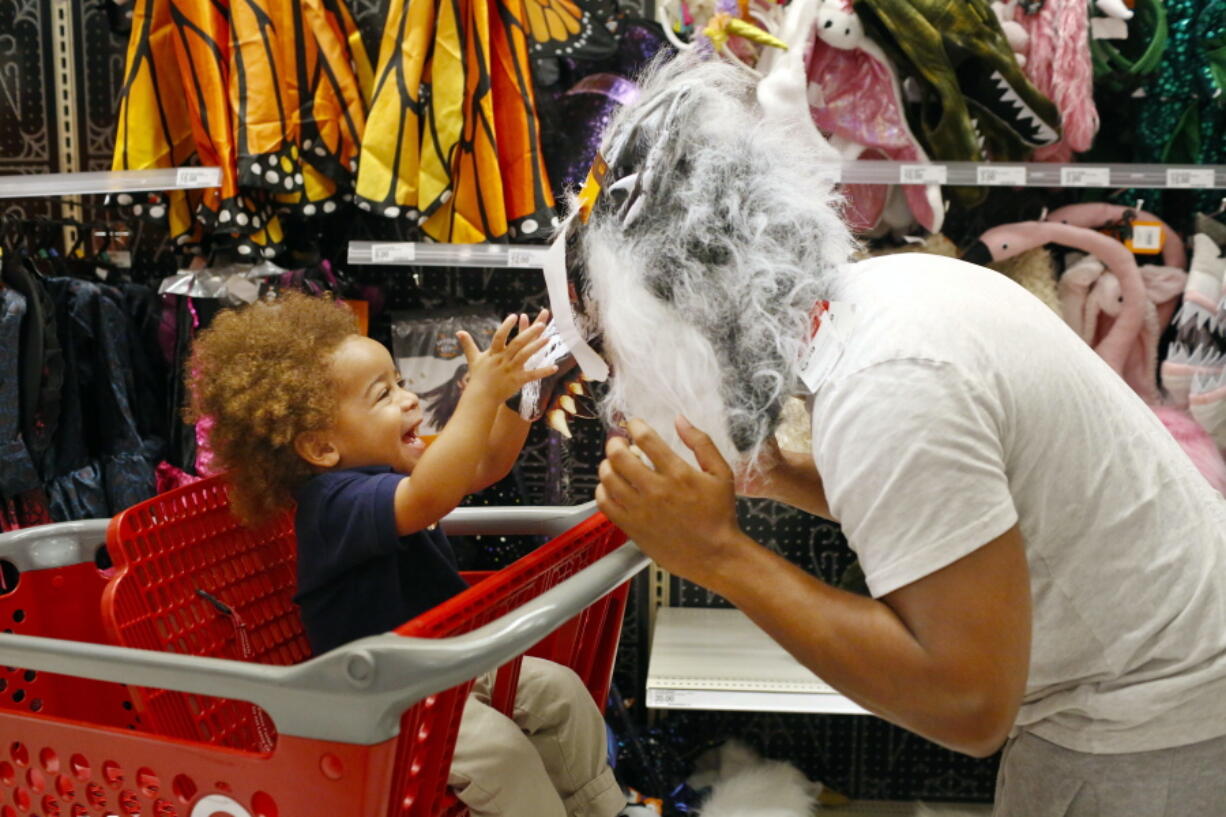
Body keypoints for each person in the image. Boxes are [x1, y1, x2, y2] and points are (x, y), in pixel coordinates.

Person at [561, 54, 1226, 815]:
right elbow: (960, 518)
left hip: (1151, 739)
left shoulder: (889, 383)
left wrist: (717, 553)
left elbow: (969, 704)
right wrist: (778, 477)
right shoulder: (886, 293)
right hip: (1154, 703)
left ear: (682, 310)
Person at [187, 292, 629, 817]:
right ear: (322, 448)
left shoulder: (386, 465)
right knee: (501, 755)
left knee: (560, 692)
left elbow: (483, 465)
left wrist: (522, 395)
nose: (409, 399)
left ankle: (603, 810)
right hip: (386, 704)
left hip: (446, 672)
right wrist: (479, 397)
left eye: (399, 381)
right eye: (383, 395)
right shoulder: (334, 503)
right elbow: (431, 498)